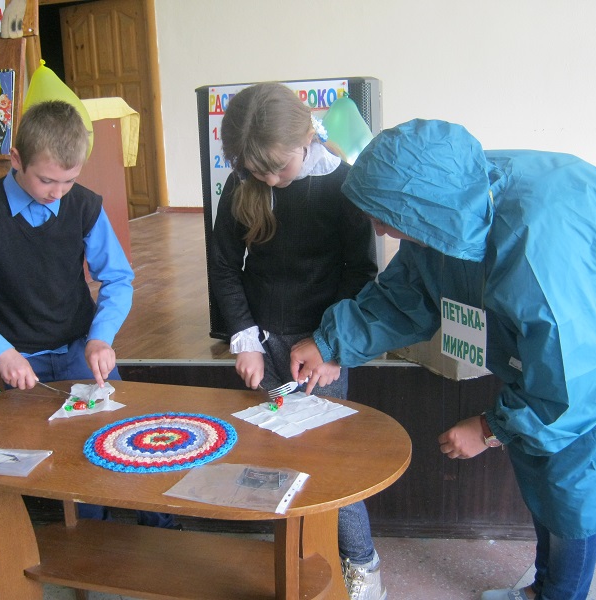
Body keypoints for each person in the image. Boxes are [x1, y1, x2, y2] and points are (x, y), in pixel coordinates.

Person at [290, 118, 596, 600]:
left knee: (574, 482)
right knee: (540, 463)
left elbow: (570, 385)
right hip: (565, 350)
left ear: (418, 209)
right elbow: (407, 295)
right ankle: (542, 587)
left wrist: (488, 429)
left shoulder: (541, 247)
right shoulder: (444, 207)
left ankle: (559, 594)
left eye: (384, 215)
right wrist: (330, 343)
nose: (379, 228)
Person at [0, 100, 174, 529]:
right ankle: (91, 536)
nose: (58, 192)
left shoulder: (83, 205)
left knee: (125, 440)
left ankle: (163, 529)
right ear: (16, 160)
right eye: (46, 180)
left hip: (81, 347)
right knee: (61, 462)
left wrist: (101, 337)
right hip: (21, 358)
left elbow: (117, 278)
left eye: (69, 180)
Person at [209, 82, 384, 600]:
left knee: (326, 464)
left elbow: (360, 273)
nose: (268, 180)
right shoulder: (243, 181)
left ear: (307, 138)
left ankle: (362, 563)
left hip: (323, 346)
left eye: (277, 169)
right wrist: (245, 340)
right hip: (262, 341)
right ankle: (297, 558)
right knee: (270, 455)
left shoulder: (343, 183)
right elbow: (224, 267)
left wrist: (332, 346)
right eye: (256, 172)